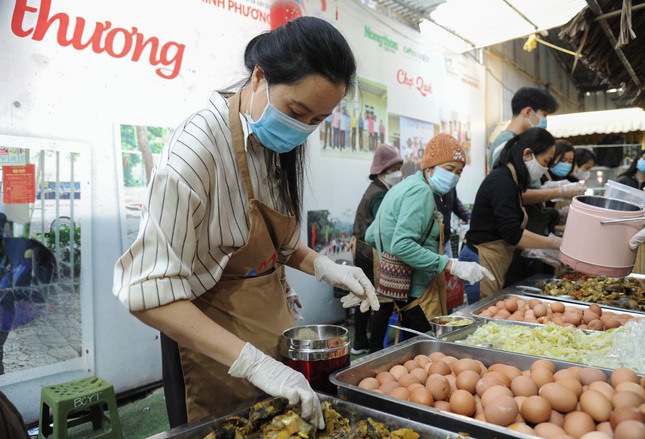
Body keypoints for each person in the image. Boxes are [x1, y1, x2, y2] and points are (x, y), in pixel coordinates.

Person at [112, 17, 379, 430]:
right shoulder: (195, 151)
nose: (303, 129)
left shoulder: (273, 144)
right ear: (259, 77)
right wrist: (254, 363)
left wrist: (331, 269)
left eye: (318, 120)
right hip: (211, 341)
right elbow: (147, 292)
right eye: (297, 111)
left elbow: (282, 245)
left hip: (268, 320)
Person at [365, 134, 493, 336]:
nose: (454, 177)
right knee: (428, 350)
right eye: (449, 169)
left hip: (403, 291)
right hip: (419, 290)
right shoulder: (421, 192)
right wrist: (450, 264)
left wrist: (392, 262)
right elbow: (402, 245)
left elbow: (372, 235)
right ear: (429, 167)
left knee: (412, 348)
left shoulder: (401, 187)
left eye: (459, 172)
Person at [459, 128, 563, 304]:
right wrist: (553, 243)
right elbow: (512, 233)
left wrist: (538, 249)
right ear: (528, 154)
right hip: (481, 258)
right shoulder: (502, 181)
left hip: (493, 257)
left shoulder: (511, 181)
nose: (545, 169)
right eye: (545, 162)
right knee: (481, 315)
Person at [351, 144, 403, 354]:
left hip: (361, 248)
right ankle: (375, 349)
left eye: (399, 167)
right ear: (382, 171)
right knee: (384, 298)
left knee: (364, 295)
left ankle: (360, 342)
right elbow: (384, 226)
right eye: (394, 169)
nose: (398, 173)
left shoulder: (378, 189)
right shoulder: (379, 195)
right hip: (371, 252)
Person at [488, 87, 559, 170]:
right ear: (528, 112)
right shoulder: (506, 142)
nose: (545, 120)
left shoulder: (520, 140)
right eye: (544, 115)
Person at [433, 188, 471, 258]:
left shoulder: (450, 187)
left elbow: (456, 204)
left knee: (448, 265)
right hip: (431, 240)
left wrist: (468, 217)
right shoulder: (427, 187)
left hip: (445, 238)